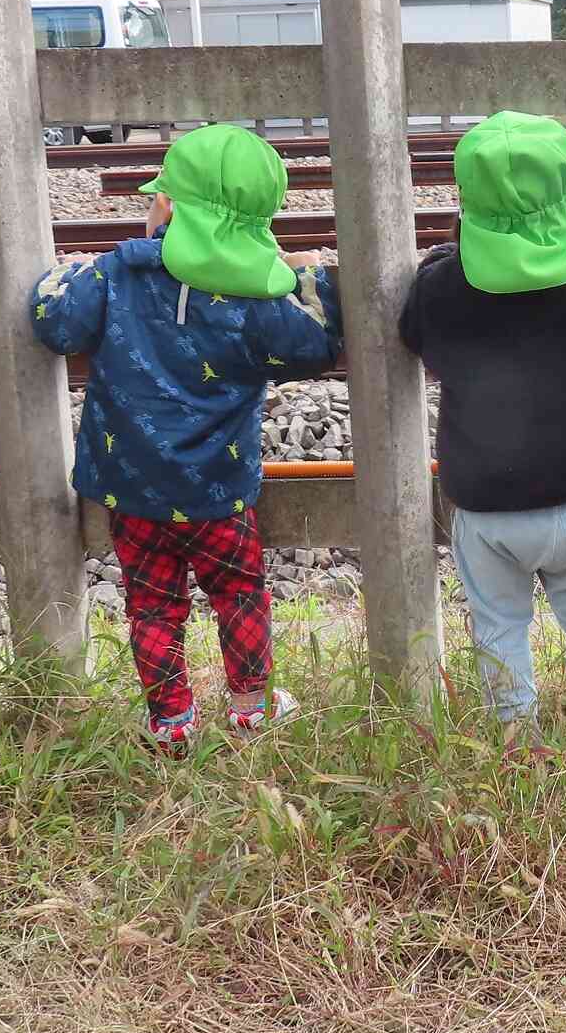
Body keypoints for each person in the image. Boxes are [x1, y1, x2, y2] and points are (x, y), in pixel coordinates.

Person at [30, 123, 341, 757]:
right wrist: (310, 277)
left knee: (152, 605)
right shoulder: (259, 297)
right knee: (238, 593)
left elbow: (54, 322)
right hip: (219, 489)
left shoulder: (117, 275)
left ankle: (171, 721)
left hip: (132, 489)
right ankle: (252, 707)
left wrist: (59, 277)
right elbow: (316, 344)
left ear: (166, 206)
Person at [399, 111, 566, 748]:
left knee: (499, 622)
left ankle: (515, 736)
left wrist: (439, 260)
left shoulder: (446, 289)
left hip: (486, 505)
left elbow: (413, 332)